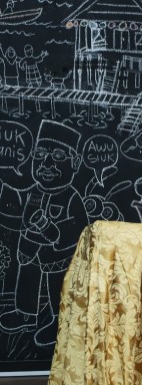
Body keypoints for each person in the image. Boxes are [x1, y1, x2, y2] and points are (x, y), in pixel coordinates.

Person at [0, 120, 89, 346]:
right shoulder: (34, 192)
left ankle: (58, 320)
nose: (47, 164)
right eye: (40, 155)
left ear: (75, 162)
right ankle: (25, 313)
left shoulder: (72, 197)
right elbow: (25, 222)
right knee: (26, 278)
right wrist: (25, 246)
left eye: (58, 156)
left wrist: (50, 229)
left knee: (57, 287)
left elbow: (77, 228)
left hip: (60, 257)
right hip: (33, 251)